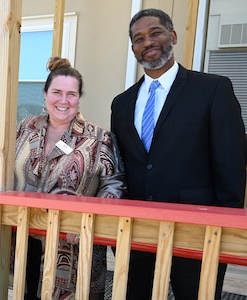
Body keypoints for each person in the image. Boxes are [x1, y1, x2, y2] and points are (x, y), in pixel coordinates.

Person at [110, 8, 247, 300]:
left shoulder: (212, 89)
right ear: (133, 48)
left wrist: (225, 227)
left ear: (172, 36)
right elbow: (120, 167)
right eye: (138, 38)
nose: (147, 42)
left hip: (197, 232)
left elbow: (231, 163)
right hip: (136, 232)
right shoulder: (121, 104)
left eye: (155, 32)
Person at [15, 57, 126, 299]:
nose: (63, 101)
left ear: (79, 98)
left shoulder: (98, 138)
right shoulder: (25, 128)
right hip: (26, 239)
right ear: (45, 95)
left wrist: (88, 219)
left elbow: (115, 184)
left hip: (74, 248)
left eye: (71, 94)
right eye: (56, 92)